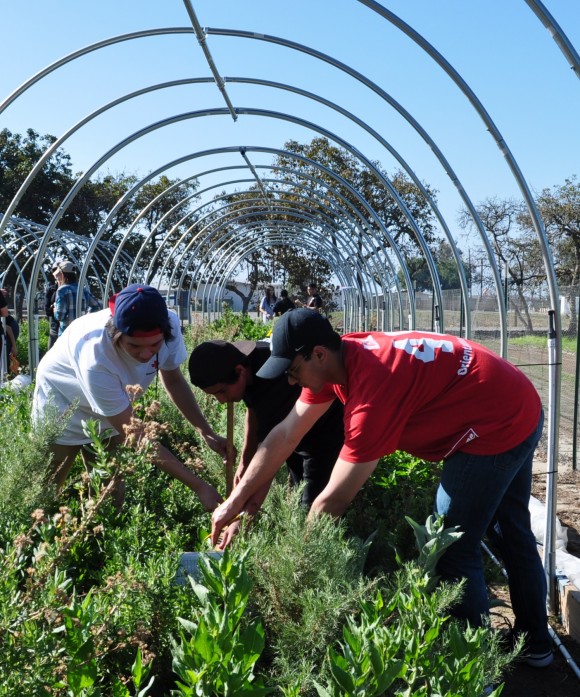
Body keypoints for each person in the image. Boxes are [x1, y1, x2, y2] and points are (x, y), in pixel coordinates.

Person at [212, 308, 553, 668]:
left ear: (318, 354)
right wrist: (233, 502)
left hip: (496, 425)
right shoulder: (346, 356)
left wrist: (297, 564)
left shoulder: (371, 398)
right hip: (512, 398)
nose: (292, 382)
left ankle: (476, 669)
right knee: (510, 531)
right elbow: (284, 434)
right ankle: (536, 645)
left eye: (293, 371)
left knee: (450, 545)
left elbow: (333, 501)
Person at [32, 283, 226, 511]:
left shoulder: (169, 325)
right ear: (116, 335)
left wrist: (206, 432)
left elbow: (173, 380)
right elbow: (136, 436)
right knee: (44, 493)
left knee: (110, 495)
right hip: (62, 405)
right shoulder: (95, 355)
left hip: (114, 411)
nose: (145, 354)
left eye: (154, 345)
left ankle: (99, 541)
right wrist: (199, 486)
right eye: (134, 346)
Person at [188, 338, 344, 547]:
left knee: (316, 509)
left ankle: (319, 554)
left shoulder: (273, 378)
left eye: (222, 392)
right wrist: (245, 462)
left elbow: (272, 454)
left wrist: (243, 516)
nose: (222, 401)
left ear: (240, 371)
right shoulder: (244, 365)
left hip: (325, 432)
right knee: (299, 498)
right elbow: (254, 411)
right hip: (291, 433)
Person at [53, 260, 100, 337]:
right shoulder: (82, 289)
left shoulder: (62, 290)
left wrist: (55, 310)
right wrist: (87, 316)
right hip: (81, 331)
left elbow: (60, 316)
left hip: (66, 332)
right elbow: (97, 306)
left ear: (62, 274)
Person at [45, 262, 61, 348]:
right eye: (54, 270)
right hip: (55, 327)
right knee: (51, 350)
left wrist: (54, 307)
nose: (56, 273)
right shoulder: (51, 290)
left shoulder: (71, 288)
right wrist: (53, 308)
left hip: (69, 327)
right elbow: (47, 311)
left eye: (58, 270)